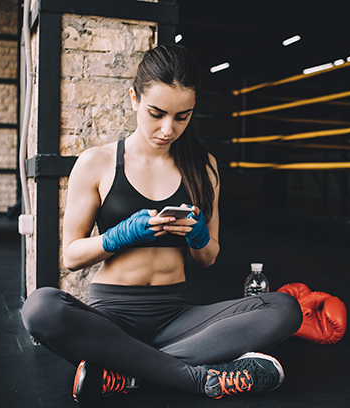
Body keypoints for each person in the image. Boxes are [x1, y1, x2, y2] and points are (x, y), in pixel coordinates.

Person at [21, 44, 302, 403]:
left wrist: (199, 236)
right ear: (134, 98)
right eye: (157, 113)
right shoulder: (98, 162)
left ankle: (127, 373)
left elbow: (208, 258)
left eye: (182, 117)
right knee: (40, 307)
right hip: (112, 320)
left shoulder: (203, 166)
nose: (168, 129)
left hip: (178, 318)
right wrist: (122, 235)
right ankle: (199, 379)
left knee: (284, 308)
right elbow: (72, 256)